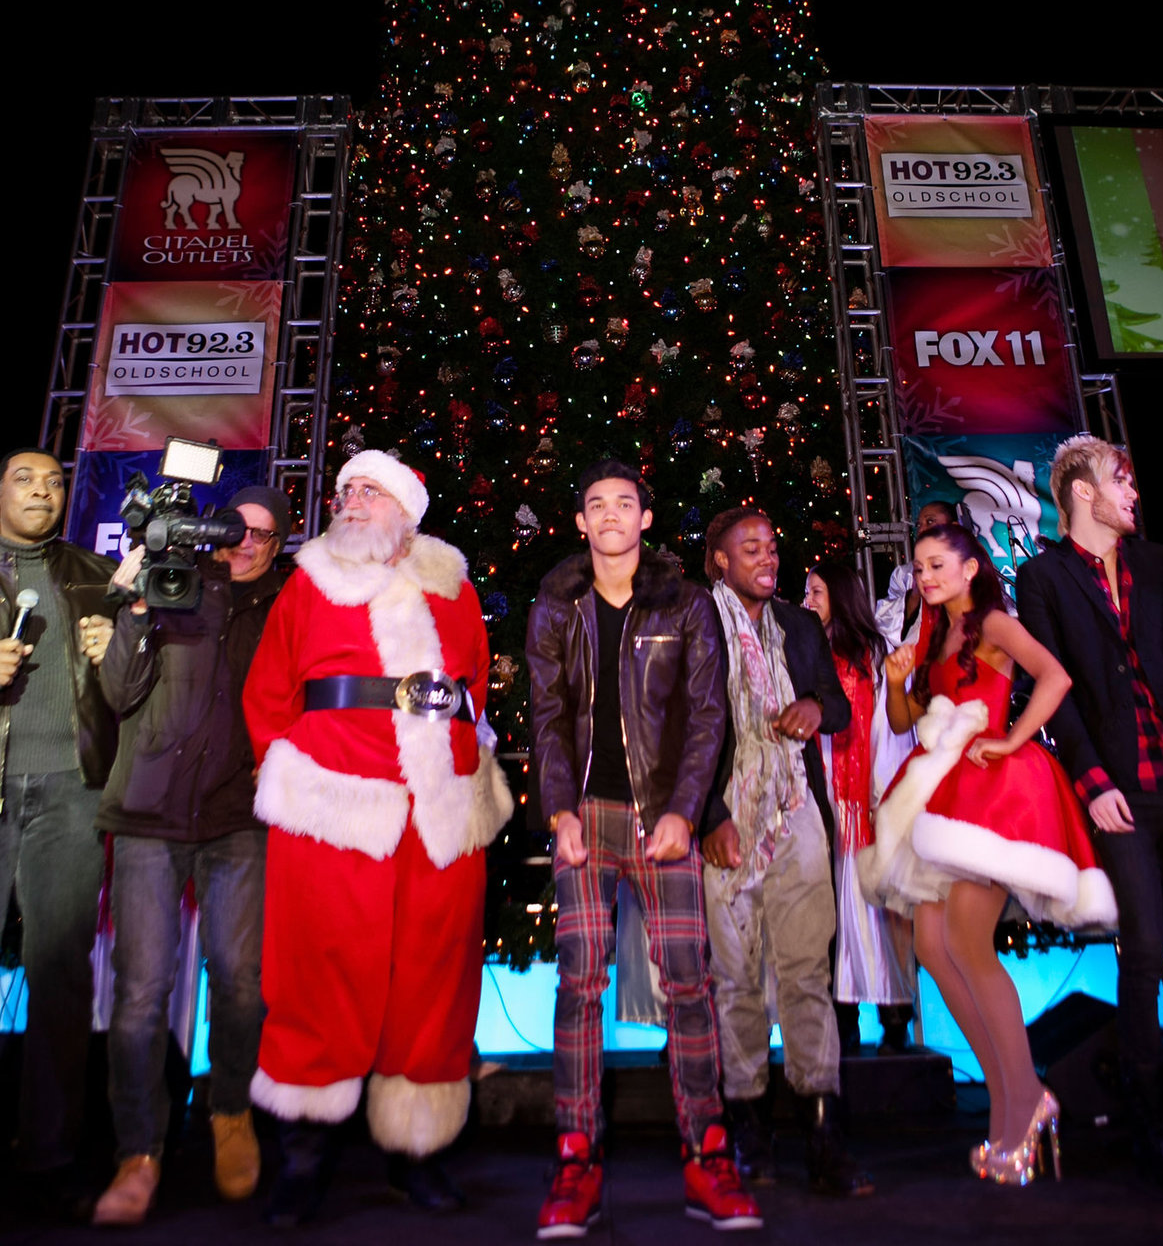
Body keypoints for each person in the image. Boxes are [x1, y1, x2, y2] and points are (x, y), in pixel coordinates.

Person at [243, 450, 513, 1223]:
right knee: (319, 974)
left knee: (433, 980)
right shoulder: (309, 581)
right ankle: (303, 1157)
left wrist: (463, 770)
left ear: (406, 509)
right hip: (334, 811)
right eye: (344, 491)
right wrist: (295, 776)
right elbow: (269, 692)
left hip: (438, 815)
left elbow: (473, 688)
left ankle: (417, 1151)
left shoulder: (453, 588)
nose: (350, 500)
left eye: (369, 490)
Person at [527, 460, 760, 1236]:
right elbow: (547, 714)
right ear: (581, 524)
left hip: (663, 819)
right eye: (596, 505)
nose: (612, 515)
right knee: (578, 984)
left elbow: (706, 717)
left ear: (645, 519)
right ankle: (575, 1159)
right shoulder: (556, 606)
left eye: (625, 503)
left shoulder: (686, 604)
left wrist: (686, 813)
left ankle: (707, 1154)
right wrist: (556, 811)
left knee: (689, 983)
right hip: (585, 818)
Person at [860, 521, 1117, 1186]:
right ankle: (1016, 1098)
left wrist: (1009, 740)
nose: (925, 576)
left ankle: (1021, 1104)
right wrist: (893, 682)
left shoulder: (994, 623)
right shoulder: (932, 634)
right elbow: (899, 721)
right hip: (936, 787)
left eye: (937, 563)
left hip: (987, 792)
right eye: (918, 567)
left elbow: (1054, 678)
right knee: (932, 948)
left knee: (970, 948)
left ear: (971, 568)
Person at [1016, 436, 1163, 1180]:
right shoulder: (1040, 577)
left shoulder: (1158, 564)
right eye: (1120, 480)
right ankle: (1147, 1113)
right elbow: (1056, 688)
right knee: (1142, 950)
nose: (1132, 493)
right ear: (1081, 492)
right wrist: (1092, 780)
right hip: (1121, 789)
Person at [90, 485, 293, 1225]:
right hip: (148, 813)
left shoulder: (288, 610)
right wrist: (139, 611)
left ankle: (230, 1114)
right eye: (238, 528)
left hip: (240, 817)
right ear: (218, 529)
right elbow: (116, 693)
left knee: (241, 981)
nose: (247, 542)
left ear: (279, 547)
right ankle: (137, 1151)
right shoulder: (176, 584)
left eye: (265, 536)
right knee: (141, 992)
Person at [701, 508, 872, 1197]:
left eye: (771, 547)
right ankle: (748, 1131)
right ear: (719, 560)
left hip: (795, 810)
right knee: (734, 979)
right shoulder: (695, 622)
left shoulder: (799, 627)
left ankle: (824, 1133)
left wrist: (809, 704)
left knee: (805, 973)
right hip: (724, 821)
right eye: (750, 549)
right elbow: (677, 727)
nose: (768, 559)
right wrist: (709, 813)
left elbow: (838, 706)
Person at [0, 447, 116, 1205]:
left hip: (72, 792)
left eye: (53, 481)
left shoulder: (87, 573)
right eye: (23, 479)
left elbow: (134, 684)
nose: (42, 490)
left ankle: (46, 1154)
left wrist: (117, 652)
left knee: (59, 977)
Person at [803, 557, 915, 1053]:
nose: (807, 602)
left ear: (841, 597)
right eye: (806, 593)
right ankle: (840, 1019)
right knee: (829, 915)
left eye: (817, 593)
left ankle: (894, 1017)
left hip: (863, 800)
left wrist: (879, 798)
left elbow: (888, 730)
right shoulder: (805, 652)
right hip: (819, 801)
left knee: (870, 913)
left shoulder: (873, 655)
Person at [873, 500, 955, 648]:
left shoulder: (971, 567)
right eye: (919, 525)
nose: (922, 530)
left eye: (930, 521)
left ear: (954, 527)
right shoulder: (904, 574)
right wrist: (915, 595)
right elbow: (884, 626)